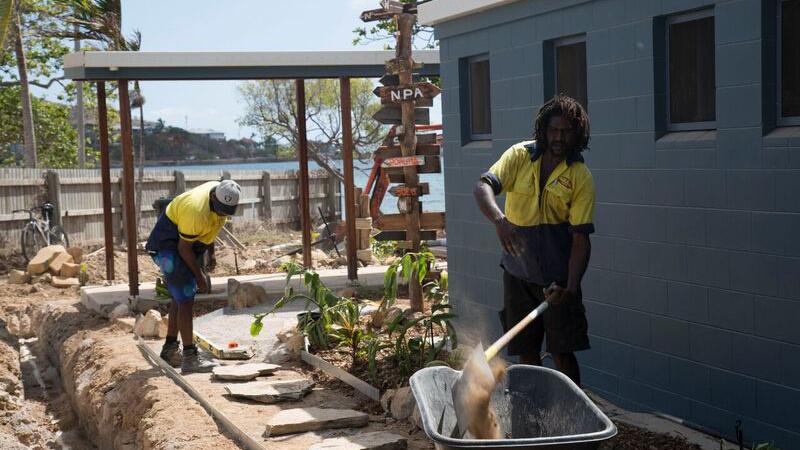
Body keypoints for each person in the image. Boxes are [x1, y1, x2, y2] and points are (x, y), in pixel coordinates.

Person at [473, 94, 595, 386]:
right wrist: (500, 222)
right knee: (526, 351)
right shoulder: (519, 156)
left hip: (558, 281)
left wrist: (571, 287)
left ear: (576, 134)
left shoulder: (580, 176)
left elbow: (581, 239)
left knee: (562, 352)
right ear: (543, 129)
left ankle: (576, 417)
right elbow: (482, 186)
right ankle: (533, 411)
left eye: (566, 131)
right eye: (553, 130)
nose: (558, 137)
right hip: (518, 275)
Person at [145, 179, 241, 373]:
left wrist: (211, 254)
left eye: (226, 210)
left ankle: (170, 349)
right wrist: (199, 276)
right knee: (186, 297)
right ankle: (190, 358)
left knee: (178, 297)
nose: (223, 213)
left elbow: (213, 225)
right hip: (167, 246)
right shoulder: (196, 210)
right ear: (213, 197)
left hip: (186, 245)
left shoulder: (220, 201)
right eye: (220, 208)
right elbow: (183, 248)